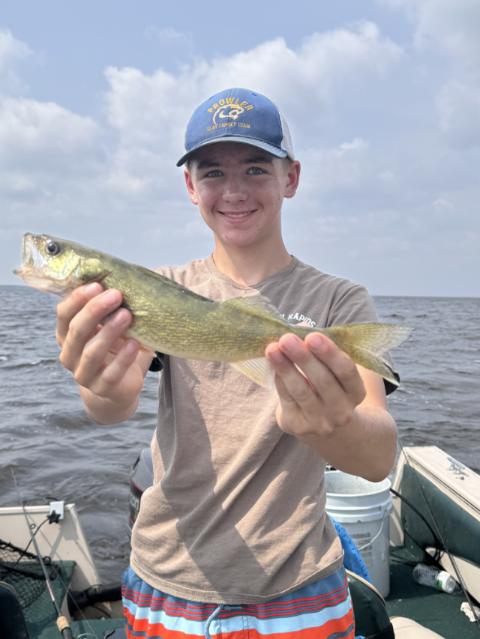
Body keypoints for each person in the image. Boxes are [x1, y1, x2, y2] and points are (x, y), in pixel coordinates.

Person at [56, 88, 398, 639]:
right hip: (166, 576)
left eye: (257, 168)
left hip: (299, 581)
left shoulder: (339, 302)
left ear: (292, 178)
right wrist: (98, 384)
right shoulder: (160, 289)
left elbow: (378, 456)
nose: (234, 191)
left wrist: (334, 424)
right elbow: (111, 406)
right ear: (190, 186)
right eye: (212, 172)